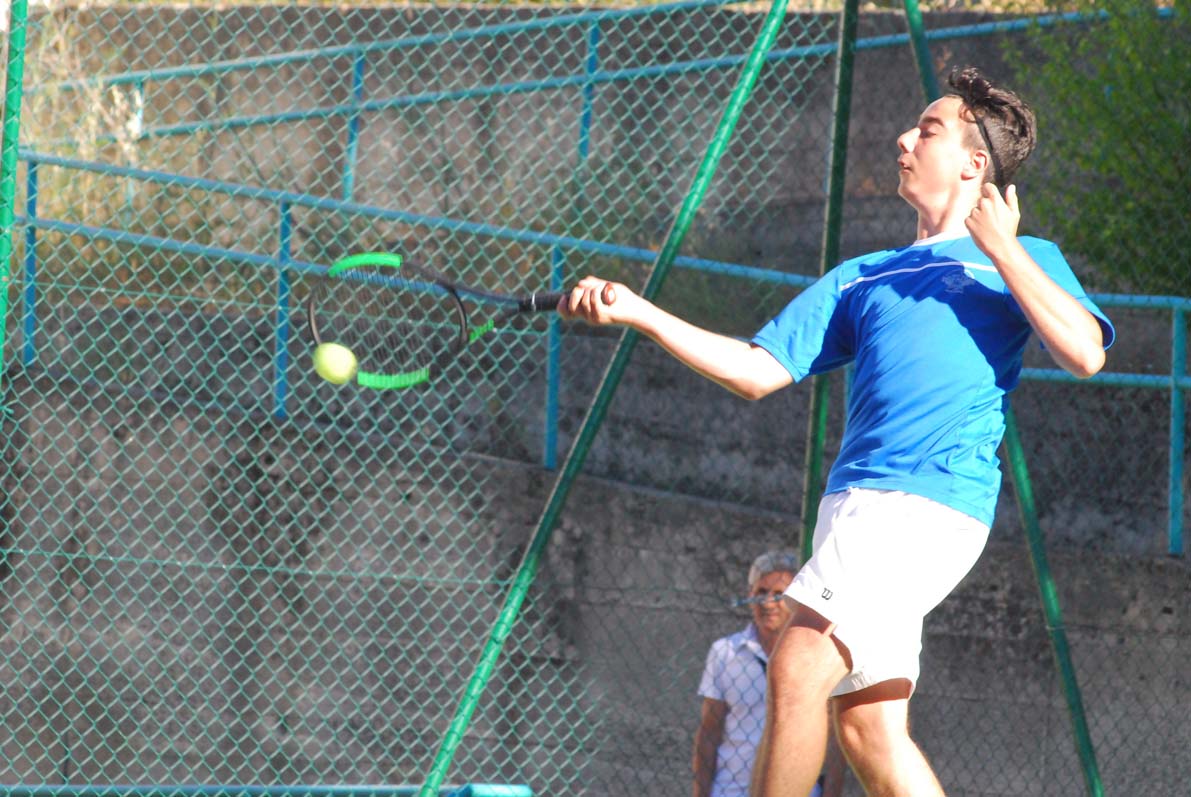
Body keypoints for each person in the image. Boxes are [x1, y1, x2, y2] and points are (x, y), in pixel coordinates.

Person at [561, 66, 1114, 797]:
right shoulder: (863, 276)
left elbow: (1083, 353)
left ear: (973, 163)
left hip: (922, 503)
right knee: (868, 731)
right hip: (853, 507)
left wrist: (1003, 249)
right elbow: (756, 370)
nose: (903, 139)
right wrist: (639, 312)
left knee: (796, 662)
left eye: (928, 129)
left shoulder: (1024, 259)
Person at [693, 550, 845, 797]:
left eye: (778, 595)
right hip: (730, 790)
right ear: (749, 594)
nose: (767, 603)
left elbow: (835, 742)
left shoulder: (818, 659)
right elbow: (709, 730)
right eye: (761, 593)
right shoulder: (725, 652)